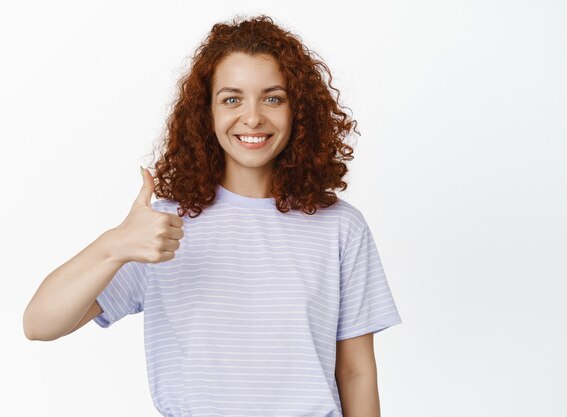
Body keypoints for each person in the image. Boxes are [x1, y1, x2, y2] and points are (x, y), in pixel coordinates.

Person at [23, 14, 402, 417]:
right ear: (206, 112)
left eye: (273, 97)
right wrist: (114, 245)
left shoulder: (340, 227)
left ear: (299, 111)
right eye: (231, 99)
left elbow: (356, 371)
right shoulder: (161, 229)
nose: (253, 117)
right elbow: (40, 325)